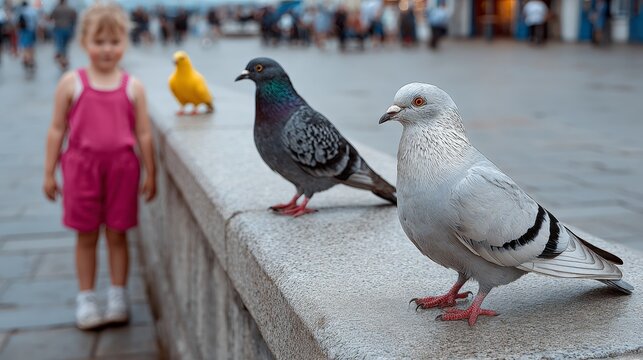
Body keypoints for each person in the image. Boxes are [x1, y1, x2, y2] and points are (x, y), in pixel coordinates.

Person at [43, 2, 156, 331]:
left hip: (123, 168)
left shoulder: (133, 86)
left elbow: (144, 133)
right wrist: (49, 171)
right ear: (84, 42)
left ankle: (118, 295)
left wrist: (151, 171)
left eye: (114, 41)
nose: (107, 49)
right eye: (99, 41)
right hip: (81, 168)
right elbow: (56, 129)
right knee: (86, 234)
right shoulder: (71, 83)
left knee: (118, 233)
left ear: (125, 41)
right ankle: (87, 298)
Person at [50, 0, 76, 70]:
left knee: (60, 45)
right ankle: (65, 59)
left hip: (59, 29)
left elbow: (50, 18)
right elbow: (74, 18)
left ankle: (63, 61)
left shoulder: (56, 8)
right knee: (65, 45)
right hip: (68, 29)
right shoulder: (70, 8)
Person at [16, 0, 38, 72]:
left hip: (24, 30)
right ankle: (31, 59)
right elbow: (36, 21)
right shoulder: (33, 11)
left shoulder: (21, 11)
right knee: (31, 46)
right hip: (32, 30)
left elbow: (16, 22)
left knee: (25, 46)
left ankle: (27, 59)